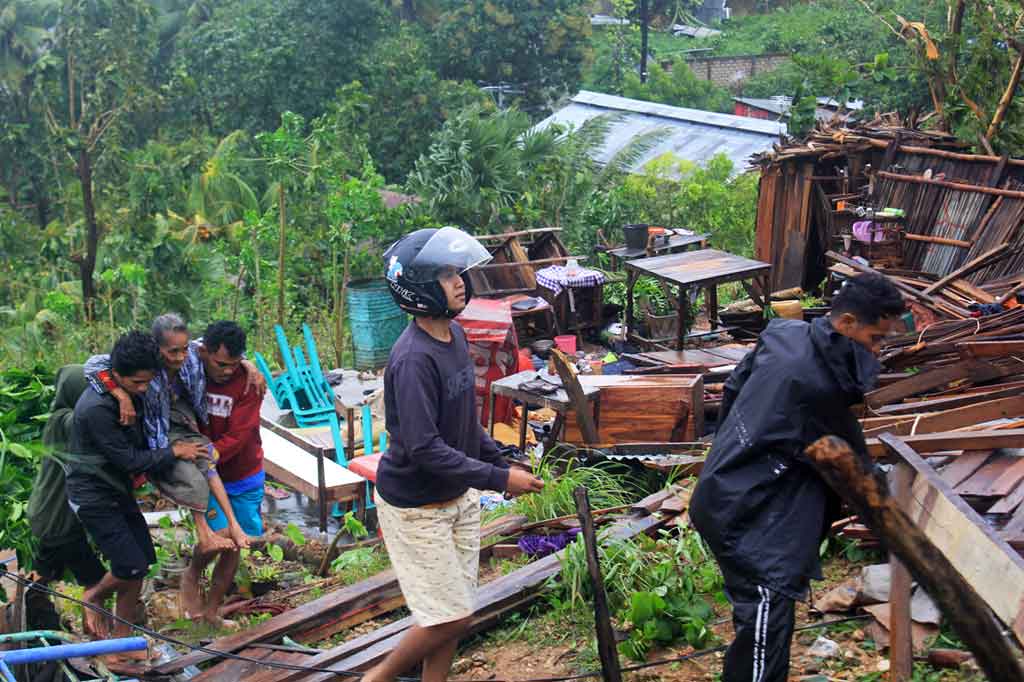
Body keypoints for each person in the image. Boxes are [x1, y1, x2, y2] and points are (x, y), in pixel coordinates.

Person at [689, 273, 906, 682]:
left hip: (733, 488)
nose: (878, 350)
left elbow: (734, 390)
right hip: (748, 516)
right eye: (875, 338)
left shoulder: (785, 335)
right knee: (764, 630)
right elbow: (855, 468)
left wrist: (742, 449)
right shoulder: (814, 383)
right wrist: (899, 521)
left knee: (764, 625)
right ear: (847, 323)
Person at [362, 227, 545, 682]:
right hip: (416, 507)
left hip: (457, 497)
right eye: (445, 275)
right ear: (420, 288)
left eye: (456, 272)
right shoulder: (413, 359)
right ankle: (375, 679)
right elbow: (424, 448)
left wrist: (500, 462)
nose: (459, 281)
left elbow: (466, 421)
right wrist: (499, 480)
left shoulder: (456, 336)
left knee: (454, 613)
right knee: (448, 617)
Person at [65, 332, 206, 652]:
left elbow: (199, 351)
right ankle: (94, 596)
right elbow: (128, 460)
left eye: (148, 382)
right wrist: (174, 451)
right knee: (130, 566)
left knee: (142, 561)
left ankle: (122, 638)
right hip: (94, 494)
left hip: (117, 490)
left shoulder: (129, 388)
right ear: (115, 374)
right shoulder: (96, 409)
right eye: (136, 383)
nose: (143, 389)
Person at [84, 314, 261, 563]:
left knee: (207, 459)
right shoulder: (145, 363)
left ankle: (234, 525)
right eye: (173, 351)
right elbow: (93, 365)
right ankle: (204, 533)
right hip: (157, 434)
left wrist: (248, 364)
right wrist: (120, 394)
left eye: (184, 349)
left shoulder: (196, 354)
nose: (180, 357)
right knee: (192, 475)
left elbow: (217, 349)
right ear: (157, 348)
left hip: (182, 424)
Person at [182, 320, 265, 626]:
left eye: (234, 363)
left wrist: (206, 454)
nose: (228, 371)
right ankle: (192, 574)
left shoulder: (249, 382)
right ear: (205, 352)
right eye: (221, 364)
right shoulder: (190, 370)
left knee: (236, 545)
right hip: (205, 475)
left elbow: (240, 435)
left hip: (243, 473)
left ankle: (212, 611)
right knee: (219, 535)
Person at [24, 365, 107, 632]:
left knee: (43, 572)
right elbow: (90, 419)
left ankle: (35, 617)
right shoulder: (65, 421)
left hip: (48, 514)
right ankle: (98, 636)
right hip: (58, 520)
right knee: (96, 580)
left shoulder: (58, 419)